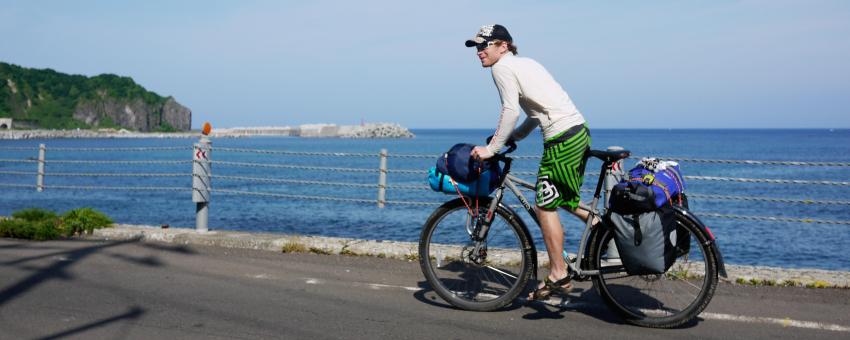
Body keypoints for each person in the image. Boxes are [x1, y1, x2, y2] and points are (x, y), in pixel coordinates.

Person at [465, 24, 597, 300]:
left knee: (543, 204)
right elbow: (537, 112)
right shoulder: (528, 64)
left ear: (504, 46)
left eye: (484, 45)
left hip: (562, 138)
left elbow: (510, 109)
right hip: (578, 131)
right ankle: (599, 226)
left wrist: (492, 148)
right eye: (477, 47)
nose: (479, 52)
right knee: (559, 197)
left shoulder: (501, 69)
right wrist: (517, 137)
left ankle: (559, 273)